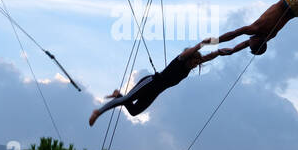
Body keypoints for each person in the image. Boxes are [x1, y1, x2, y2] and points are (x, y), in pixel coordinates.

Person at [88, 41, 224, 126]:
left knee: (134, 111)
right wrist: (214, 41)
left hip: (155, 92)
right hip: (150, 82)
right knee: (128, 99)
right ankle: (98, 112)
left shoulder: (190, 66)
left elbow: (209, 57)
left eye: (197, 64)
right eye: (194, 62)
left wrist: (220, 52)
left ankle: (118, 95)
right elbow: (198, 46)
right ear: (189, 58)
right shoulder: (181, 59)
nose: (195, 66)